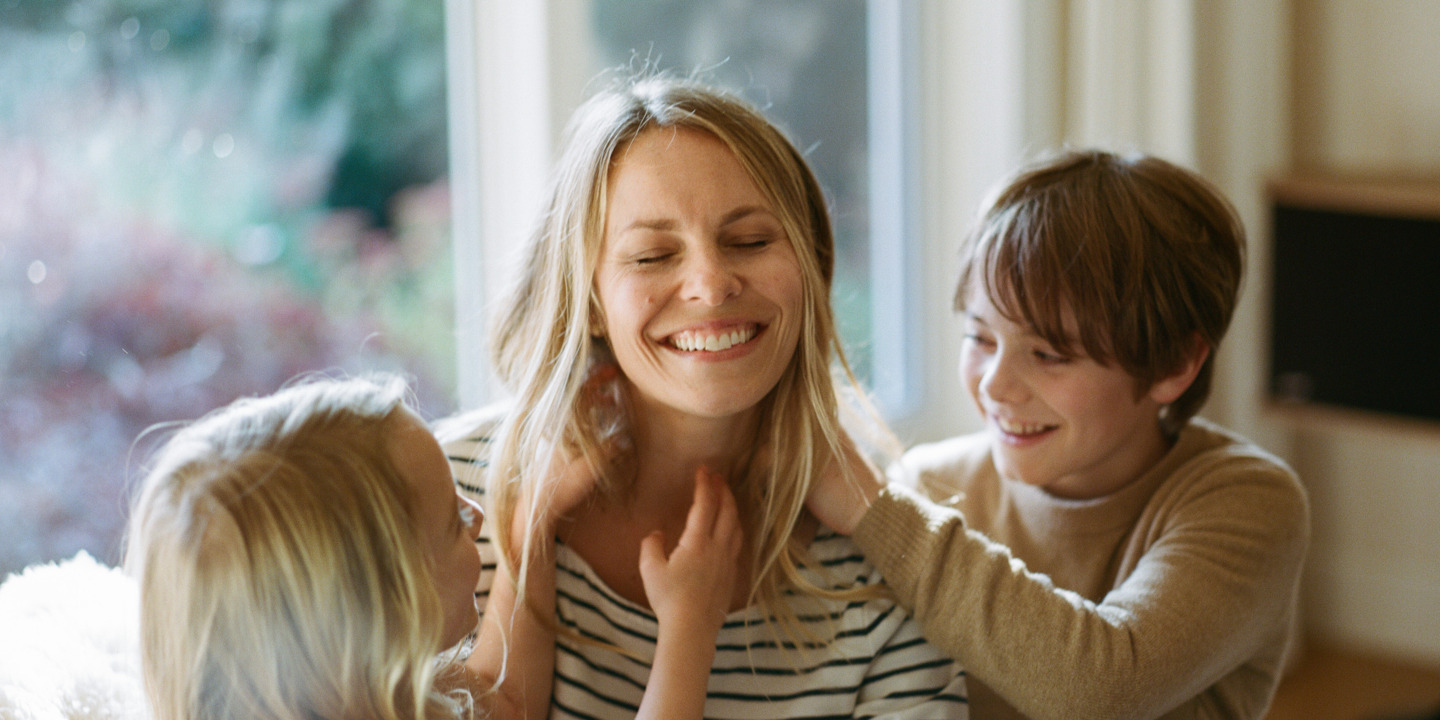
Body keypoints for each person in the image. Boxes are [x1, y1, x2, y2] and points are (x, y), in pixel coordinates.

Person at [439, 74, 969, 720]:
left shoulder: (887, 567)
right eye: (652, 256)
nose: (712, 285)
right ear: (590, 301)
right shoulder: (441, 502)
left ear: (809, 266)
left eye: (750, 241)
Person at [805, 149, 1311, 720]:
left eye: (1049, 354)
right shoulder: (930, 486)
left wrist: (872, 509)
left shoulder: (1246, 501)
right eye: (980, 338)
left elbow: (1102, 691)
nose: (996, 386)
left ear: (1175, 364)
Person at [125, 375, 489, 720]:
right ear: (385, 613)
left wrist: (526, 543)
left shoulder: (355, 694)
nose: (479, 514)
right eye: (455, 520)